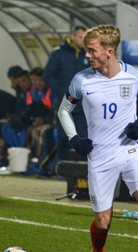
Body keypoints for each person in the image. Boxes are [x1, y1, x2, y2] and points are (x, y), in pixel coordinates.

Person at [58, 24, 138, 252]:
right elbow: (63, 110)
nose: (87, 55)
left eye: (91, 50)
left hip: (130, 150)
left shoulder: (134, 76)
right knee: (103, 222)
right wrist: (75, 139)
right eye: (87, 50)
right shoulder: (81, 80)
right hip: (100, 155)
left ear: (109, 51)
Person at [44, 25, 89, 165]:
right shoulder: (58, 54)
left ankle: (81, 169)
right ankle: (63, 168)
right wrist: (63, 92)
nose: (83, 40)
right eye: (81, 37)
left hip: (83, 105)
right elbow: (48, 75)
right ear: (73, 36)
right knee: (64, 137)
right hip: (65, 104)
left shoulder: (88, 54)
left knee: (83, 136)